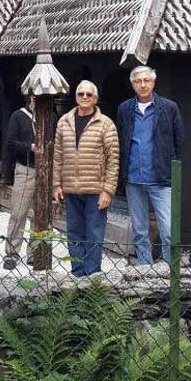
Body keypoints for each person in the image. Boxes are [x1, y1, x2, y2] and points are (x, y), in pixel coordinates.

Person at [117, 66, 184, 266]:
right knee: (139, 230)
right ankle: (144, 269)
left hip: (161, 178)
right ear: (132, 84)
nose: (143, 84)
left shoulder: (169, 107)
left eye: (147, 80)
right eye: (138, 81)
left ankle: (170, 269)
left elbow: (179, 142)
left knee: (169, 229)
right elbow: (121, 140)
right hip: (133, 178)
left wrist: (171, 169)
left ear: (154, 82)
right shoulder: (125, 109)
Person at [53, 81, 119, 277]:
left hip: (95, 190)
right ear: (75, 97)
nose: (84, 97)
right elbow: (57, 155)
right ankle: (77, 274)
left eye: (88, 95)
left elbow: (113, 159)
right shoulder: (64, 121)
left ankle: (92, 277)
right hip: (71, 189)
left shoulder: (106, 124)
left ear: (95, 99)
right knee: (73, 234)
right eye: (80, 94)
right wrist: (56, 184)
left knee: (94, 234)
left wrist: (108, 190)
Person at [2, 94, 36, 271]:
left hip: (46, 171)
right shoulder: (18, 115)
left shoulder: (51, 116)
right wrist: (30, 147)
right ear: (29, 97)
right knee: (18, 211)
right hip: (25, 168)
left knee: (41, 215)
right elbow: (10, 142)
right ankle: (12, 252)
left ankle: (36, 253)